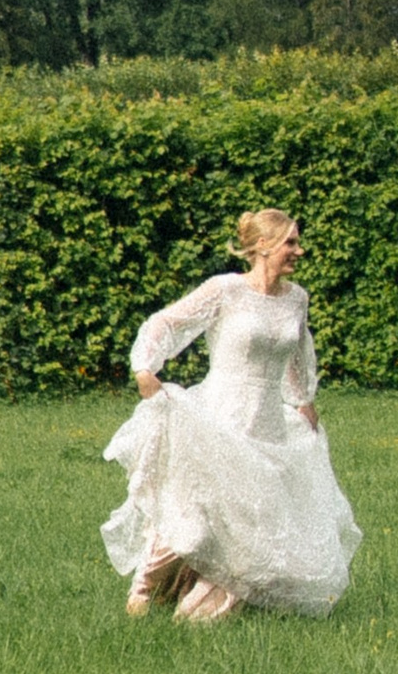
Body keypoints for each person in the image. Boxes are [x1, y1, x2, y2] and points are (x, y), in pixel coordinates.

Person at [100, 209, 362, 623]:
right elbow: (166, 322)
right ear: (263, 246)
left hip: (268, 426)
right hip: (219, 416)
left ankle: (202, 610)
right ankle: (146, 590)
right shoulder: (225, 290)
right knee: (197, 519)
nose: (299, 250)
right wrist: (145, 368)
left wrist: (303, 400)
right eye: (291, 242)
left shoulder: (297, 298)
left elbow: (297, 354)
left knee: (251, 527)